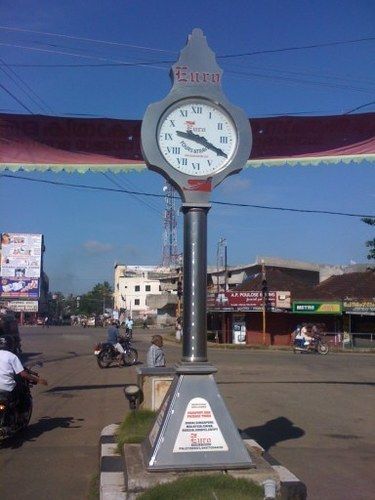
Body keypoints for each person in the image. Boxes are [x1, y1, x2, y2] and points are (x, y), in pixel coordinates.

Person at [0, 337, 48, 403]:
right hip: (7, 388)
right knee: (22, 392)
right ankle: (19, 411)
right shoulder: (12, 356)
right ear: (11, 345)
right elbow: (23, 374)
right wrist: (38, 380)